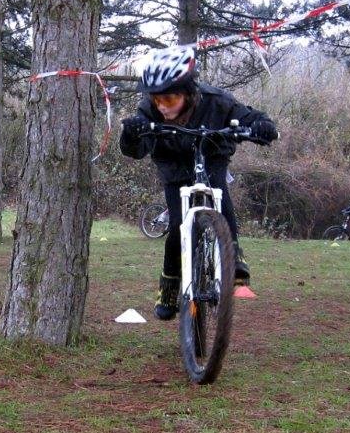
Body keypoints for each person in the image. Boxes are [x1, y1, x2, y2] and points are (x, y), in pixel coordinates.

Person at [119, 46, 278, 320]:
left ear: (189, 92)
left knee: (220, 197)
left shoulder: (217, 101)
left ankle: (233, 254)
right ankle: (169, 283)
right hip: (174, 168)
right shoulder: (148, 109)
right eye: (157, 99)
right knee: (179, 225)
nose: (162, 106)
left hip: (212, 157)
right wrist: (132, 133)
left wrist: (263, 127)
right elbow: (136, 149)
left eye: (169, 98)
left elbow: (252, 118)